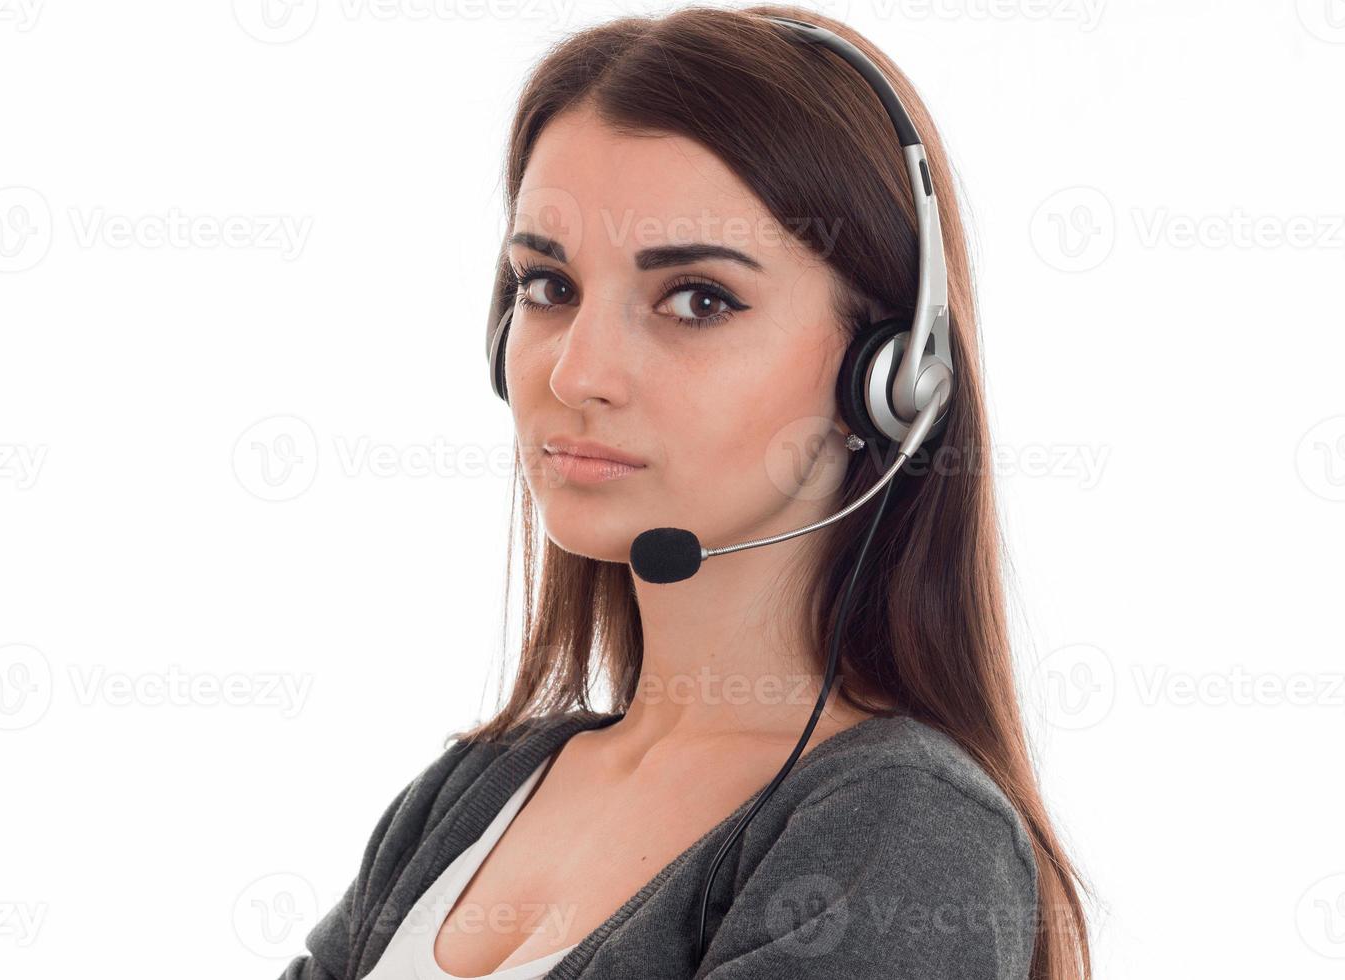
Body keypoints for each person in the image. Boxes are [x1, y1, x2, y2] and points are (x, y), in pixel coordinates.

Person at [280, 6, 1090, 978]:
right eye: (547, 285)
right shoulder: (464, 795)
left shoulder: (904, 828)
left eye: (698, 299)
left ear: (886, 377)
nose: (577, 372)